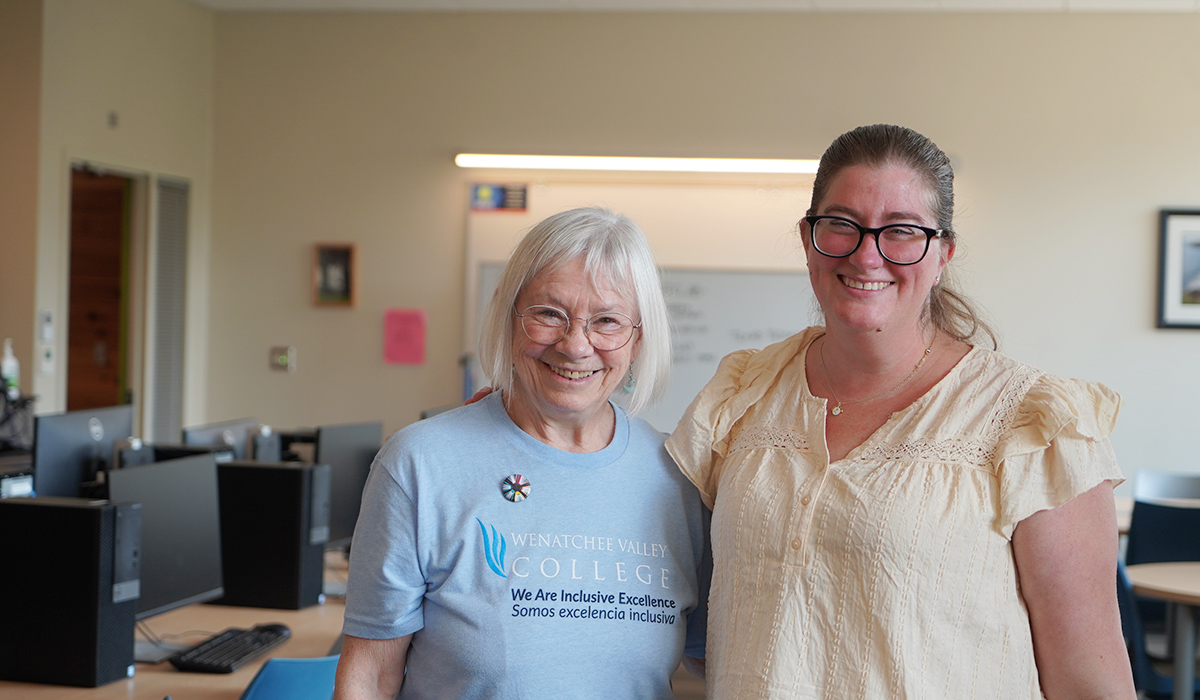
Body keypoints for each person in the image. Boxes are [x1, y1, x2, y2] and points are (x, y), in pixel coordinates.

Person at [666, 124, 1135, 699]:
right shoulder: (743, 394)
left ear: (943, 254)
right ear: (809, 239)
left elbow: (1090, 683)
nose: (867, 255)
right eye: (842, 224)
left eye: (902, 231)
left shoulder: (1033, 424)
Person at [333, 207, 708, 700]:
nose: (576, 346)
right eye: (549, 314)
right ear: (507, 316)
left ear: (637, 339)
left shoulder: (678, 478)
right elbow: (369, 677)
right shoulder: (421, 464)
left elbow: (725, 660)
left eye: (607, 321)